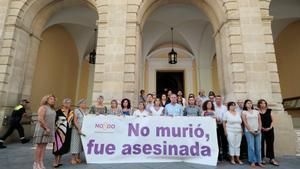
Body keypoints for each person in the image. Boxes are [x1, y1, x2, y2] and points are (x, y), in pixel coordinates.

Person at [32, 95, 56, 169]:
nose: (53, 100)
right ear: (46, 99)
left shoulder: (52, 109)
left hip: (49, 129)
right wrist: (46, 128)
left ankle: (41, 161)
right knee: (40, 146)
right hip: (42, 129)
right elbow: (40, 118)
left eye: (54, 99)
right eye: (51, 99)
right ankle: (36, 163)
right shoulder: (43, 107)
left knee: (44, 146)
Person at [242, 99, 265, 168]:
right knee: (251, 147)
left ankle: (259, 161)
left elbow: (260, 121)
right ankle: (252, 161)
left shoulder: (256, 111)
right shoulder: (244, 112)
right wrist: (250, 130)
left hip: (257, 131)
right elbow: (245, 122)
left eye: (250, 103)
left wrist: (259, 129)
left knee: (258, 147)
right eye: (248, 103)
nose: (249, 104)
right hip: (248, 131)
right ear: (245, 105)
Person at [257, 99, 279, 166]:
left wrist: (270, 127)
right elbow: (257, 121)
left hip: (270, 130)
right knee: (261, 144)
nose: (263, 104)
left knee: (270, 144)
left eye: (264, 103)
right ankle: (262, 158)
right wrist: (261, 128)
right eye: (261, 103)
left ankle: (272, 159)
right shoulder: (257, 112)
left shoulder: (269, 111)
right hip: (261, 130)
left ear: (266, 104)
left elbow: (272, 121)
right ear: (259, 104)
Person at [53, 98, 73, 167]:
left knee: (63, 147)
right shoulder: (58, 111)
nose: (68, 104)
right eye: (66, 102)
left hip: (68, 132)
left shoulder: (71, 112)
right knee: (57, 146)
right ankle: (55, 162)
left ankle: (59, 161)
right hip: (59, 132)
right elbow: (54, 122)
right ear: (63, 103)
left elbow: (73, 122)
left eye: (69, 102)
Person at [70, 99, 88, 165]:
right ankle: (72, 158)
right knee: (75, 143)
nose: (85, 104)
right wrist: (78, 129)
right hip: (76, 129)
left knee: (80, 144)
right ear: (79, 104)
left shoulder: (86, 111)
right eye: (83, 103)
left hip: (83, 129)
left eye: (85, 103)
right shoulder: (76, 110)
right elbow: (75, 121)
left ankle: (78, 157)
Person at [215, 95, 229, 161]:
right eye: (217, 99)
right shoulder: (213, 106)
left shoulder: (225, 107)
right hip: (216, 125)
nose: (218, 100)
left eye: (219, 99)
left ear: (221, 100)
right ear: (215, 100)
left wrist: (222, 120)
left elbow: (226, 115)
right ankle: (218, 155)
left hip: (223, 125)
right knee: (217, 141)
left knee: (224, 140)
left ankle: (225, 154)